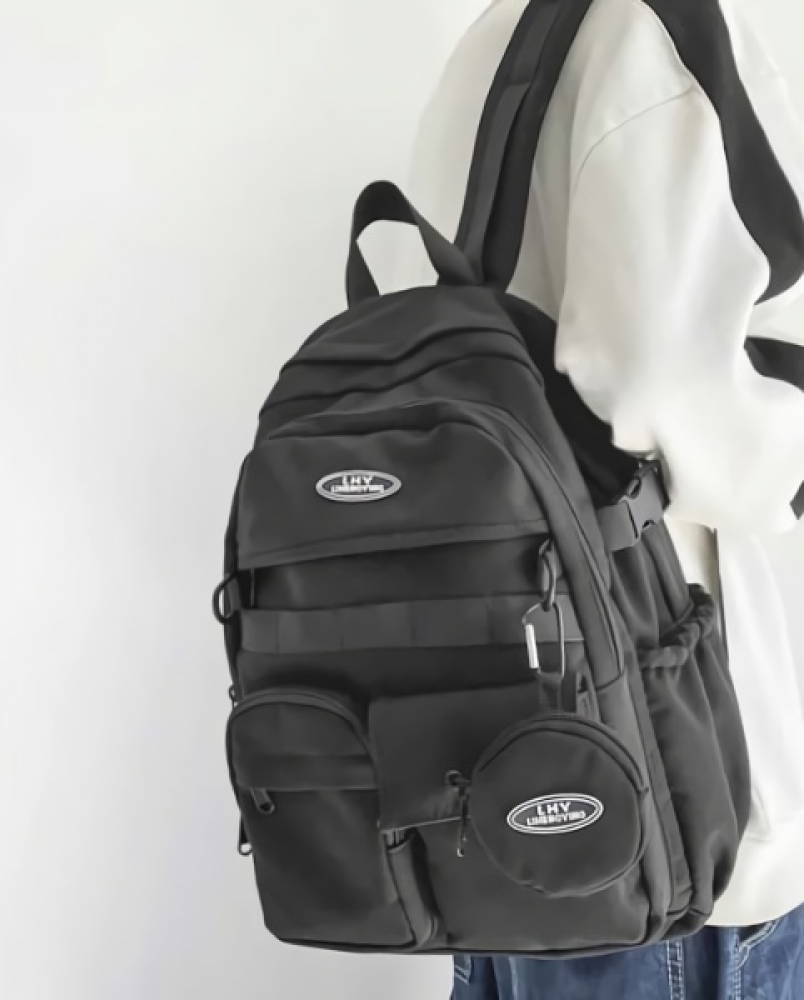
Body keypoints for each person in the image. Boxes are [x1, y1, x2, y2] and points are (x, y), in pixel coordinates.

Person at [389, 0, 804, 997]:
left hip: (500, 789)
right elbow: (662, 376)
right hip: (673, 802)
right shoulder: (657, 27)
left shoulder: (492, 43)